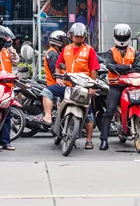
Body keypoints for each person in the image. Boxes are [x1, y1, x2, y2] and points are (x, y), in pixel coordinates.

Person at [34, 22, 100, 150]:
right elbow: (58, 66)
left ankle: (89, 140)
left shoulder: (89, 50)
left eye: (81, 37)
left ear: (85, 37)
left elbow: (93, 70)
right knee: (46, 92)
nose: (79, 39)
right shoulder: (66, 49)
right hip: (68, 85)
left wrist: (92, 86)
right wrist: (58, 77)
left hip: (84, 87)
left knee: (89, 114)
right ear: (72, 36)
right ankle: (48, 116)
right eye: (77, 37)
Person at [99, 24, 140, 151]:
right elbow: (109, 66)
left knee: (137, 104)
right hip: (115, 85)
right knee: (109, 111)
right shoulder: (110, 52)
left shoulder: (135, 52)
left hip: (131, 85)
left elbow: (138, 68)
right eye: (119, 37)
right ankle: (104, 140)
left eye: (124, 36)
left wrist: (119, 67)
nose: (122, 39)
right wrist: (128, 67)